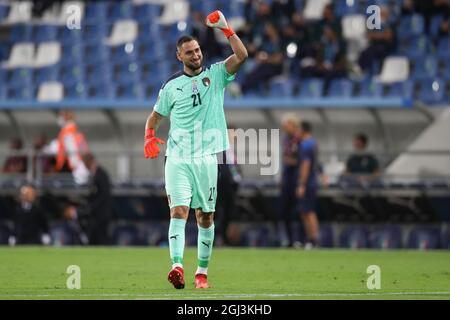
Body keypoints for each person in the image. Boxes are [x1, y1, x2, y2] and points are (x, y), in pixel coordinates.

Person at [143, 10, 248, 289]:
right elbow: (154, 117)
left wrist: (226, 29)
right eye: (189, 52)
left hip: (206, 158)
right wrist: (148, 136)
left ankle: (201, 273)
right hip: (177, 157)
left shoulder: (216, 75)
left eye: (198, 50)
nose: (196, 55)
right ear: (180, 56)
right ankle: (176, 266)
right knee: (178, 211)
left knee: (206, 216)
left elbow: (242, 56)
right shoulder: (171, 87)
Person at [296, 121, 320, 249]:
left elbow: (306, 165)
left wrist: (301, 184)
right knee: (305, 211)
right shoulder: (313, 143)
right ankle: (310, 239)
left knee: (308, 212)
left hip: (308, 182)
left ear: (303, 130)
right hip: (312, 181)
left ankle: (313, 239)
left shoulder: (305, 145)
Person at [216, 127, 242, 246]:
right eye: (233, 132)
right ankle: (220, 237)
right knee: (222, 211)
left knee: (229, 212)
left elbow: (234, 167)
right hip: (224, 184)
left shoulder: (230, 149)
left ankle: (226, 238)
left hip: (231, 184)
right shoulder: (221, 149)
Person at [280, 113, 301, 247]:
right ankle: (290, 240)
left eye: (286, 125)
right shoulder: (285, 139)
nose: (284, 128)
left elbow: (304, 161)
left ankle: (300, 239)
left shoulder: (300, 140)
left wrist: (291, 161)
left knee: (298, 210)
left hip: (297, 177)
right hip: (287, 176)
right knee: (285, 210)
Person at [53, 110, 90, 185]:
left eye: (62, 116)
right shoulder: (73, 131)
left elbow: (73, 151)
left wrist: (75, 166)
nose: (60, 118)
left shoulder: (68, 132)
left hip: (73, 167)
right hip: (74, 166)